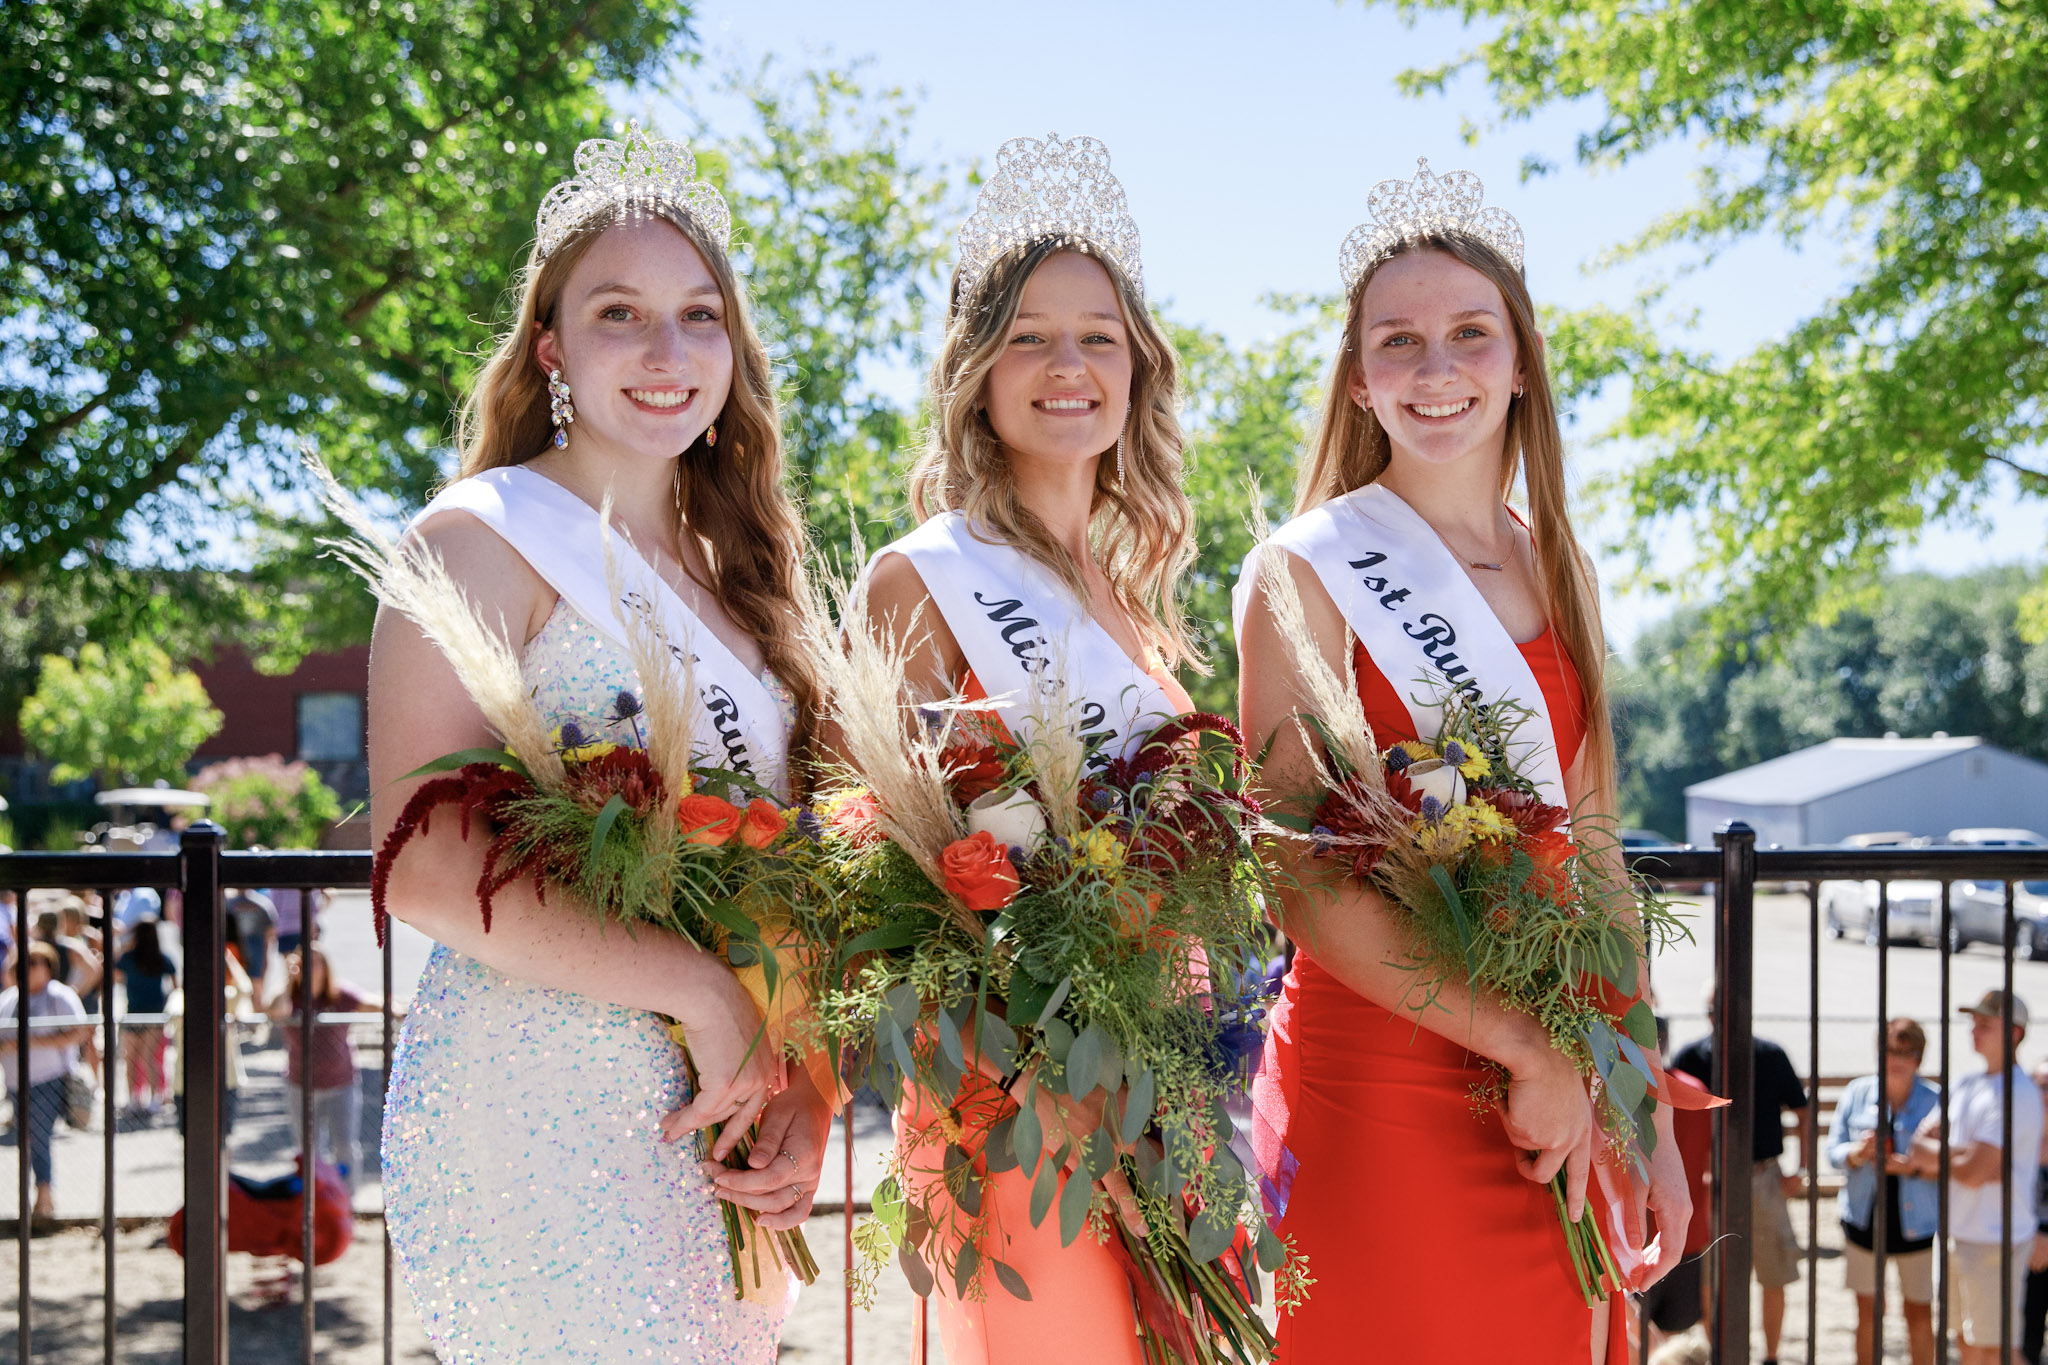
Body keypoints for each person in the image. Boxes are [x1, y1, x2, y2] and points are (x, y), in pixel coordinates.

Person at [371, 124, 832, 1362]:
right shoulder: (481, 536)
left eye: (698, 316)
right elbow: (419, 863)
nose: (666, 351)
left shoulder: (746, 587)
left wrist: (804, 1089)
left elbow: (788, 874)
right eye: (619, 313)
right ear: (551, 349)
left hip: (718, 1108)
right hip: (537, 1099)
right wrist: (697, 991)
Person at [1234, 158, 1689, 1365]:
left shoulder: (1561, 570)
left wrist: (1632, 1097)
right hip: (1380, 1077)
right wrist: (1533, 1055)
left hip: (1555, 1077)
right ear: (1359, 379)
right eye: (1399, 342)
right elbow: (1293, 874)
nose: (1436, 371)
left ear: (1521, 359)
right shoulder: (1308, 568)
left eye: (1468, 335)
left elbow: (1593, 852)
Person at [860, 131, 1196, 1364]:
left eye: (1097, 336)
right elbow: (887, 878)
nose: (1068, 365)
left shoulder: (1134, 605)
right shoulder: (923, 581)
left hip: (1155, 1073)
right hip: (1011, 1092)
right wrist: (1052, 1054)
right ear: (976, 371)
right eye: (1029, 336)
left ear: (1136, 370)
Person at [1669, 987, 1815, 1365]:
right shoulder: (1692, 1056)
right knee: (1709, 1273)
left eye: (1727, 1009)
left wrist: (1802, 1169)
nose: (1721, 1017)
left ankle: (1769, 1356)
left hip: (1763, 1174)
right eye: (1715, 1009)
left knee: (1773, 1271)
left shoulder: (1770, 1054)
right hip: (1710, 1179)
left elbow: (1802, 1110)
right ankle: (1723, 1353)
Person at [1911, 990, 2043, 1365]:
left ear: (2014, 1033)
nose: (1975, 1031)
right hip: (1957, 1232)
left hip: (1994, 1240)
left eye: (1986, 1024)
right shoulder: (1967, 1085)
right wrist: (1965, 1154)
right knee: (1966, 1342)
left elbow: (1973, 1171)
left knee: (1995, 1348)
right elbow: (1919, 1145)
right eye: (1975, 1023)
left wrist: (1961, 1158)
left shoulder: (2017, 1093)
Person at [1829, 1017, 1941, 1365]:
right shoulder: (1858, 1092)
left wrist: (1914, 1166)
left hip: (1918, 1225)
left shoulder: (1935, 1100)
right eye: (1891, 1050)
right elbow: (1832, 1151)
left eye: (1907, 1052)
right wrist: (1857, 1153)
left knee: (1919, 1314)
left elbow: (1953, 1161)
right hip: (1864, 1219)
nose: (1898, 1059)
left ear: (1918, 1059)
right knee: (1869, 1313)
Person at [265, 945, 375, 1189]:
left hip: (341, 1083)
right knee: (309, 1148)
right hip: (301, 1086)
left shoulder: (340, 994)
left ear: (326, 968)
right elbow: (275, 1011)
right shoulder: (289, 997)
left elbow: (372, 1004)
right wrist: (288, 979)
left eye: (316, 963)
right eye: (305, 964)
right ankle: (314, 1199)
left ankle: (345, 1200)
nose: (311, 969)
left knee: (345, 1145)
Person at [0, 941, 92, 1222]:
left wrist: (33, 1042)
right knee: (28, 1138)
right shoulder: (9, 999)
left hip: (49, 1079)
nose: (26, 970)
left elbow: (80, 1032)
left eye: (34, 963)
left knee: (37, 1136)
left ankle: (44, 1196)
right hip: (16, 1082)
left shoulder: (59, 996)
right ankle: (39, 1195)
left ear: (48, 966)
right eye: (22, 964)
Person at [169, 941, 255, 1137]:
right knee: (191, 1135)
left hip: (226, 1078)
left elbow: (245, 988)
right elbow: (175, 1015)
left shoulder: (224, 997)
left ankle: (225, 1168)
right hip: (187, 1080)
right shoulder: (178, 997)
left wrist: (228, 959)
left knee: (223, 1136)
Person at [114, 917, 180, 1118]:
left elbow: (114, 975)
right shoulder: (161, 958)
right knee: (149, 1057)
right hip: (154, 1013)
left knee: (132, 1058)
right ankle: (154, 1099)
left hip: (135, 1012)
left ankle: (135, 1098)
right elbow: (176, 984)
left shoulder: (128, 957)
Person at [266, 885, 325, 957]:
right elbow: (314, 907)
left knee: (292, 963)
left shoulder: (278, 884)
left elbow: (273, 907)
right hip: (302, 929)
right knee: (302, 961)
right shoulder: (307, 882)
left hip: (286, 929)